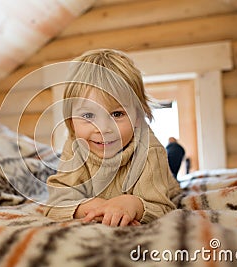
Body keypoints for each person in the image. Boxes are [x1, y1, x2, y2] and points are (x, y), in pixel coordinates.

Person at [42, 49, 181, 226]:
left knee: (173, 162)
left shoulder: (150, 150)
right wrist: (93, 207)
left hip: (161, 178)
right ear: (71, 120)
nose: (103, 129)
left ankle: (175, 147)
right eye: (88, 116)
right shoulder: (76, 145)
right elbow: (56, 202)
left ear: (138, 116)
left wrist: (132, 204)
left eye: (116, 114)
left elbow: (162, 206)